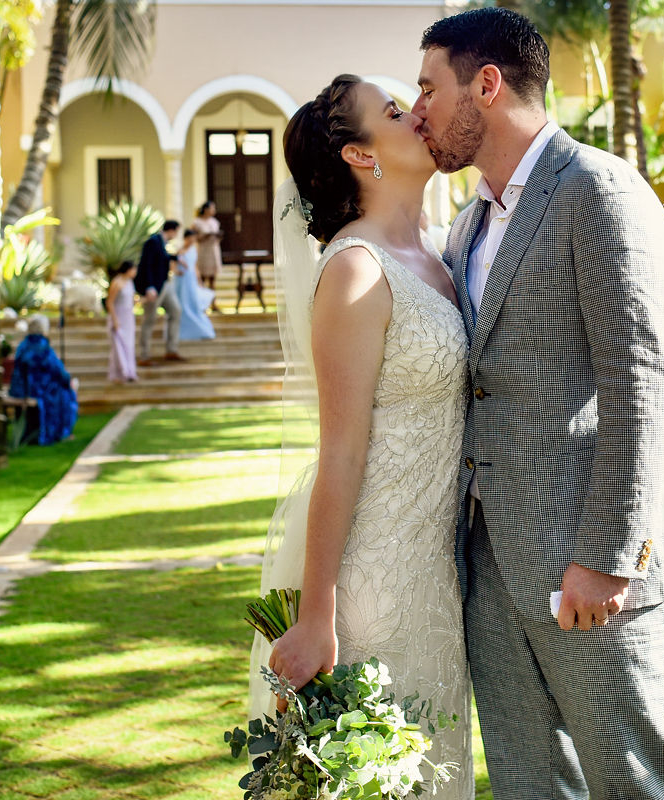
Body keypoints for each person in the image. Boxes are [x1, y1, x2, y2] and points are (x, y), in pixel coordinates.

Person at [414, 8, 664, 799]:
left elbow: (642, 385)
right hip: (490, 566)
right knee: (529, 784)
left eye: (429, 88)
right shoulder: (466, 226)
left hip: (591, 567)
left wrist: (606, 557)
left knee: (634, 782)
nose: (419, 110)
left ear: (488, 85)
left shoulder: (598, 192)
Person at [251, 74, 472, 796]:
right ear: (358, 154)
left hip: (438, 580)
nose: (417, 117)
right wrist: (317, 615)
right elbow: (339, 453)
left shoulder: (439, 259)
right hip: (373, 587)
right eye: (394, 111)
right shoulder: (353, 270)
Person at [9, 314, 78, 444]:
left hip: (21, 389)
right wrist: (68, 381)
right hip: (40, 390)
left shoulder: (23, 345)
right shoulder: (43, 346)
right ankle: (60, 432)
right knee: (66, 393)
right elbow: (58, 370)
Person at [134, 219, 185, 364]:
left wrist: (176, 258)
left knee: (176, 311)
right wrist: (149, 287)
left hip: (164, 284)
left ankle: (171, 349)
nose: (176, 235)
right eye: (176, 232)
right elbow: (147, 265)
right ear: (172, 230)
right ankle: (144, 355)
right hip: (155, 287)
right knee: (149, 319)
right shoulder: (153, 242)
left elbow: (161, 259)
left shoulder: (162, 243)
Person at [174, 228, 217, 340]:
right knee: (182, 302)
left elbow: (194, 266)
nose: (193, 240)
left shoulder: (194, 250)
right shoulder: (180, 251)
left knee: (193, 302)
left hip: (191, 279)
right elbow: (174, 263)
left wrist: (199, 281)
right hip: (182, 279)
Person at [106, 261, 138, 383]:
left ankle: (129, 371)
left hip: (128, 318)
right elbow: (110, 302)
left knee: (129, 345)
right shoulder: (117, 283)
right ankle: (120, 372)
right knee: (118, 345)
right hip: (118, 317)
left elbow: (131, 301)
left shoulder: (130, 283)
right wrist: (115, 320)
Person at [192, 200, 223, 311]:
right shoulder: (197, 222)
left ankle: (213, 303)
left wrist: (218, 236)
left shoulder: (215, 222)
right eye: (212, 208)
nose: (213, 210)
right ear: (206, 209)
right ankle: (202, 304)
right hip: (203, 251)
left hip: (213, 250)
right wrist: (205, 236)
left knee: (212, 279)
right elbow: (193, 238)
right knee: (203, 278)